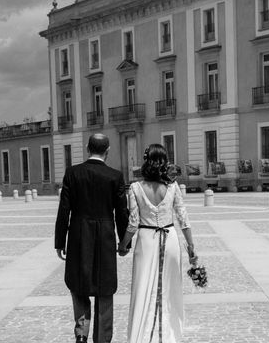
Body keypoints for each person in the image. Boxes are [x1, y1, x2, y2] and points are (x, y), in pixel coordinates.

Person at [118, 143, 198, 343]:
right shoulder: (172, 187)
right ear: (164, 162)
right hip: (169, 237)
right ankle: (169, 335)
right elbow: (183, 218)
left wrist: (123, 245)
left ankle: (141, 336)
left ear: (146, 161)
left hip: (146, 240)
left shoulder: (135, 188)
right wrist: (191, 247)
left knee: (143, 286)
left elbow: (133, 223)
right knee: (170, 287)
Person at [54, 133, 129, 343]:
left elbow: (64, 210)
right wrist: (124, 243)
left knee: (79, 288)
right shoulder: (115, 176)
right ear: (108, 151)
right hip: (105, 239)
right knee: (105, 292)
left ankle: (81, 335)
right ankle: (102, 340)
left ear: (87, 148)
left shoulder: (72, 173)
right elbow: (122, 213)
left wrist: (60, 241)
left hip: (78, 238)